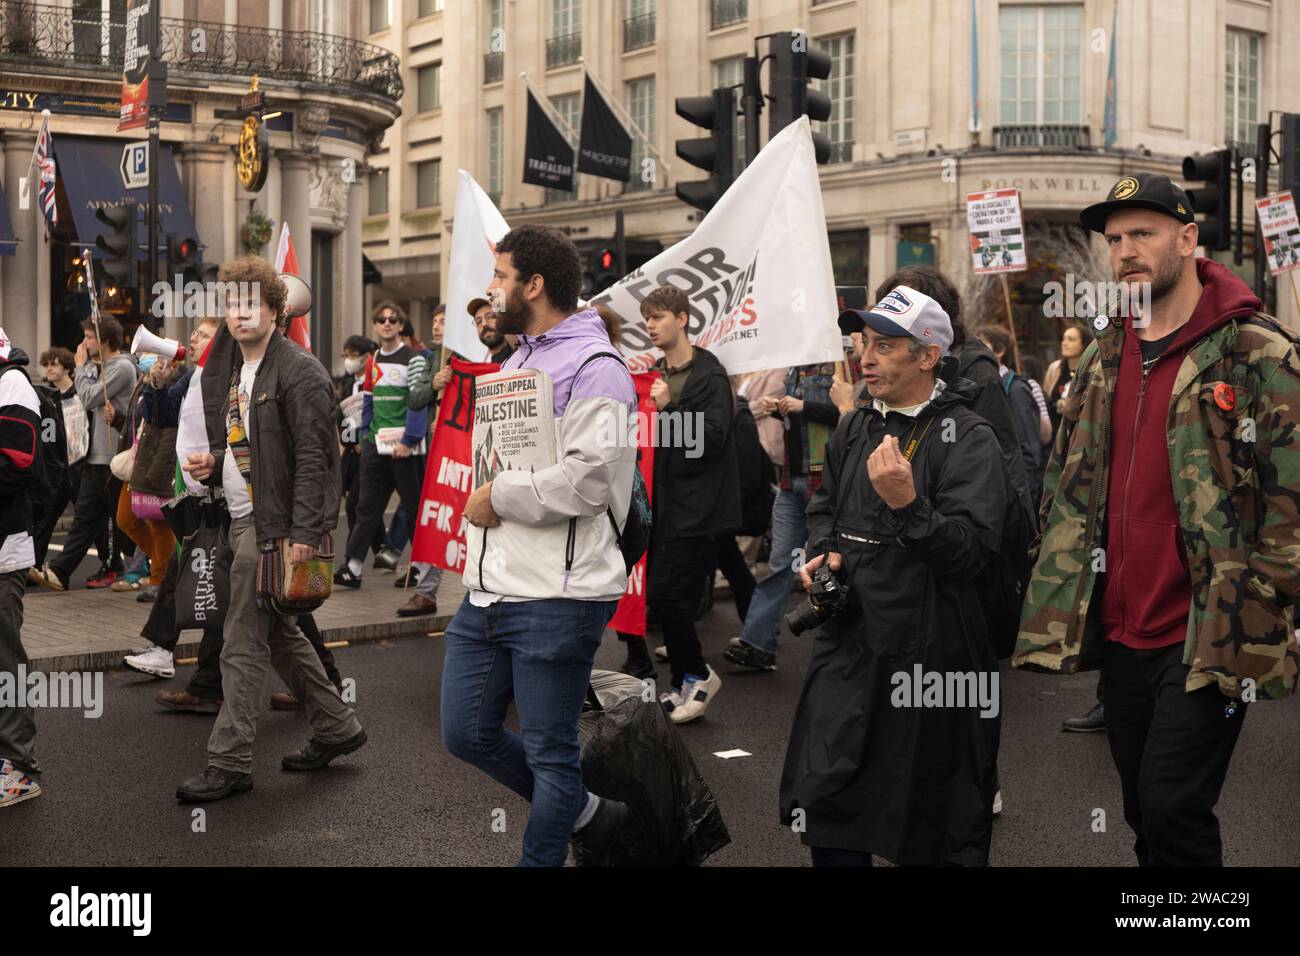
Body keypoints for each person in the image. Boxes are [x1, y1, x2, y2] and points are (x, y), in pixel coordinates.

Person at [1015, 172, 1300, 866]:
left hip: (1209, 627)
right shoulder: (1106, 356)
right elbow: (1065, 478)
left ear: (1189, 238)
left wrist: (1262, 600)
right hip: (1119, 628)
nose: (1125, 251)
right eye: (1114, 240)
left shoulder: (1258, 351)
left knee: (1174, 805)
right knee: (1144, 808)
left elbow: (1291, 498)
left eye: (1142, 233)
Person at [780, 286, 1007, 866]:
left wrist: (909, 506)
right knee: (827, 805)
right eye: (863, 343)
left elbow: (971, 553)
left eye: (885, 345)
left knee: (925, 821)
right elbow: (825, 507)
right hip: (850, 647)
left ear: (928, 355)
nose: (866, 357)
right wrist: (824, 552)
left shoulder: (969, 437)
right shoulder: (855, 426)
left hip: (928, 659)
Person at [442, 224, 635, 866]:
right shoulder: (518, 358)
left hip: (559, 595)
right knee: (465, 733)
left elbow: (587, 482)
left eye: (500, 276)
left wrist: (497, 500)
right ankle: (584, 810)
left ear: (535, 285)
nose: (490, 289)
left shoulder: (597, 367)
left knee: (552, 753)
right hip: (490, 590)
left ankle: (546, 850)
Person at [177, 257, 365, 803]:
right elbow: (255, 444)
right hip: (243, 519)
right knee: (280, 634)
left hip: (273, 528)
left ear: (276, 311)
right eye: (231, 304)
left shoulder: (299, 370)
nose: (238, 314)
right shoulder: (240, 368)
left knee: (240, 643)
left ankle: (229, 760)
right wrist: (217, 461)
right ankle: (337, 726)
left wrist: (305, 530)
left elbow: (316, 458)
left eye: (249, 303)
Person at [640, 285, 739, 723]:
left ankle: (698, 674)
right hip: (665, 502)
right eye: (647, 319)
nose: (650, 326)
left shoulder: (709, 375)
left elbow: (711, 441)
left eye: (658, 317)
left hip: (698, 506)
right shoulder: (656, 373)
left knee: (668, 592)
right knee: (663, 597)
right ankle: (683, 682)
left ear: (682, 319)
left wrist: (670, 410)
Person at [721, 358, 841, 672]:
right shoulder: (793, 369)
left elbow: (847, 415)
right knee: (779, 565)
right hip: (792, 480)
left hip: (824, 481)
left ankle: (841, 656)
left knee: (829, 569)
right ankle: (758, 643)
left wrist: (802, 406)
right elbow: (802, 422)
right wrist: (780, 408)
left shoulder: (838, 366)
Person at [35, 316, 137, 591]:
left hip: (114, 455)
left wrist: (79, 368)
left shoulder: (123, 367)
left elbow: (89, 397)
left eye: (90, 337)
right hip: (95, 454)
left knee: (125, 520)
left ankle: (143, 565)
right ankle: (60, 571)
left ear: (105, 340)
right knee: (86, 518)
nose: (85, 343)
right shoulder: (100, 367)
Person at [333, 303, 430, 588]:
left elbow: (418, 401)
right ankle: (353, 568)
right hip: (376, 446)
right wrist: (366, 436)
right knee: (366, 507)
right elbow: (369, 400)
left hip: (404, 448)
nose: (387, 323)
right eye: (381, 320)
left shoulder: (414, 359)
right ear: (375, 325)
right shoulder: (373, 360)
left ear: (401, 326)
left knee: (413, 508)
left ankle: (421, 569)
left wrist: (409, 440)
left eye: (392, 319)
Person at [0, 327, 46, 807]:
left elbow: (18, 463)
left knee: (4, 660)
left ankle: (19, 769)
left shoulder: (11, 384)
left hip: (3, 552)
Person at [112, 350, 181, 602]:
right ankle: (170, 566)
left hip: (155, 464)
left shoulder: (174, 383)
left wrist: (157, 384)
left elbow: (163, 424)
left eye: (154, 354)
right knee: (125, 519)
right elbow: (139, 421)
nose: (146, 358)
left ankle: (160, 578)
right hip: (138, 461)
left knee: (160, 526)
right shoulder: (144, 383)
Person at [30, 347, 89, 573]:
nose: (50, 369)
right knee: (46, 517)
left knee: (87, 518)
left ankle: (111, 562)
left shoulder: (78, 394)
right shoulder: (47, 398)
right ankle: (33, 564)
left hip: (79, 467)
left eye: (54, 364)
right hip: (58, 470)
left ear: (66, 367)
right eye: (47, 365)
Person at [975, 324, 1044, 504]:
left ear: (999, 351)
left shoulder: (1016, 388)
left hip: (1015, 494)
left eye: (982, 345)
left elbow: (1029, 448)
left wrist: (1023, 500)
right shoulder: (987, 383)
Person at [337, 335, 385, 562]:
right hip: (353, 455)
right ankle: (382, 551)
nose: (349, 360)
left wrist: (367, 441)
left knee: (356, 503)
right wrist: (350, 443)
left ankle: (353, 558)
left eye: (353, 355)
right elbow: (343, 418)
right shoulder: (346, 385)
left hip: (372, 450)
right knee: (367, 504)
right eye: (346, 355)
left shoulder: (376, 380)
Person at [1043, 322, 1088, 443]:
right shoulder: (1055, 368)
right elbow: (1045, 399)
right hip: (1054, 437)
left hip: (1076, 439)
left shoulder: (1090, 372)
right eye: (1063, 339)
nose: (1064, 343)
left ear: (1083, 344)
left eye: (1071, 339)